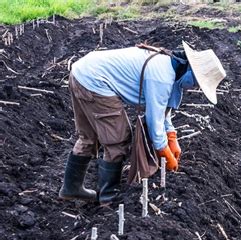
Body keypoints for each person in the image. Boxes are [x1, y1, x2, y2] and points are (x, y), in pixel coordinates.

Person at [58, 41, 226, 204]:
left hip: (82, 71)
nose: (195, 87)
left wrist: (172, 136)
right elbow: (154, 119)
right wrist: (164, 152)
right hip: (96, 82)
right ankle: (108, 197)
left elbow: (162, 108)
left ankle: (71, 188)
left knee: (88, 137)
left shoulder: (168, 62)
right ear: (192, 71)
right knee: (118, 140)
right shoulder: (162, 77)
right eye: (197, 83)